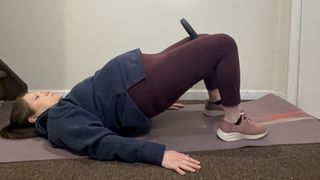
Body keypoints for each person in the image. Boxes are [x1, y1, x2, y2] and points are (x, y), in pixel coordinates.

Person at [0, 34, 267, 175]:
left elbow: (103, 107)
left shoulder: (63, 109)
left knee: (203, 39)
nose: (42, 93)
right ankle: (234, 121)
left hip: (137, 76)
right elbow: (100, 142)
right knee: (223, 44)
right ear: (33, 118)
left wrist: (158, 100)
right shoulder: (57, 121)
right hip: (139, 85)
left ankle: (215, 102)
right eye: (36, 98)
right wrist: (158, 154)